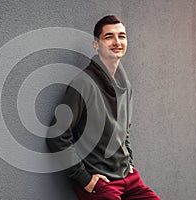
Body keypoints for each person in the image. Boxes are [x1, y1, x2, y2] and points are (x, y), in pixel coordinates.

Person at [46, 15, 161, 200]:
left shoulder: (125, 86)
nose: (117, 42)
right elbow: (57, 135)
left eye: (122, 36)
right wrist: (84, 179)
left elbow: (124, 131)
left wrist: (128, 160)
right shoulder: (83, 83)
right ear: (96, 45)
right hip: (101, 184)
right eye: (109, 37)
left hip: (128, 178)